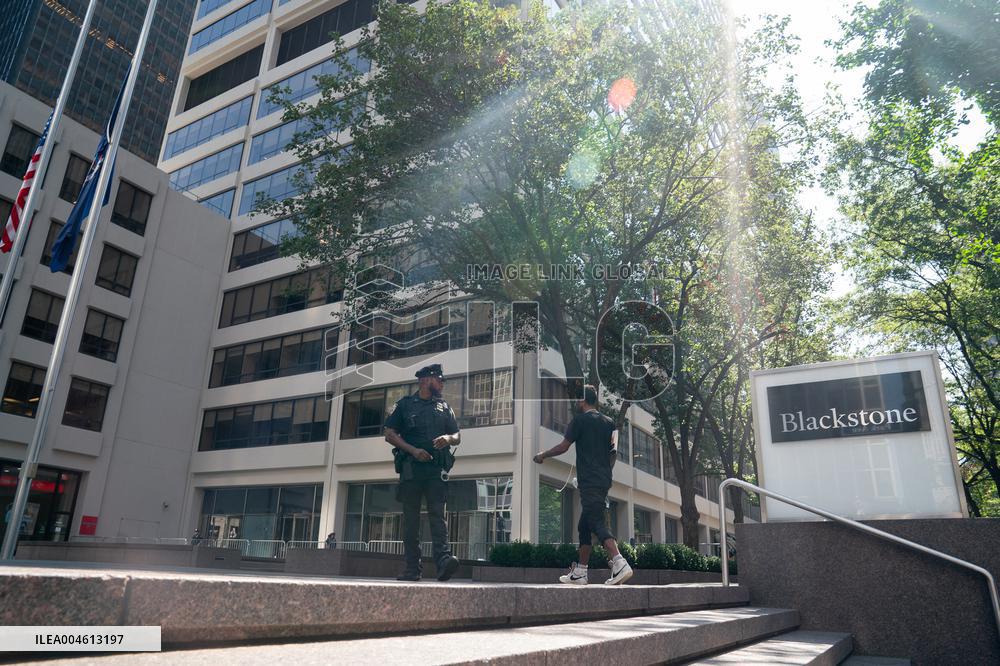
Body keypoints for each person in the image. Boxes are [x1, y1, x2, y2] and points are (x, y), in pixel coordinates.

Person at [533, 384, 633, 585]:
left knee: (596, 522)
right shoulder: (610, 423)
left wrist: (543, 455)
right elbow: (613, 453)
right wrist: (603, 473)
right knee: (583, 526)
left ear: (581, 400)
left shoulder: (578, 421)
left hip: (589, 480)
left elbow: (563, 446)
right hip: (603, 480)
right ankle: (581, 572)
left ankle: (619, 562)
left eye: (577, 400)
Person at [384, 363, 462, 582]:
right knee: (411, 521)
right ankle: (411, 568)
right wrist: (413, 450)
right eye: (439, 379)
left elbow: (456, 434)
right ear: (426, 380)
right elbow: (390, 434)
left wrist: (448, 438)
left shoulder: (444, 407)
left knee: (438, 516)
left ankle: (444, 563)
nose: (442, 383)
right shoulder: (405, 405)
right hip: (412, 469)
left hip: (436, 470)